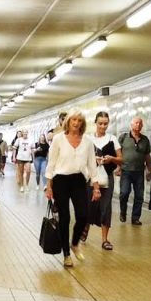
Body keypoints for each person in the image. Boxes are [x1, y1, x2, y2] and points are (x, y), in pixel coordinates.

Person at [45, 110, 100, 268]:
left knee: (83, 215)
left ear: (82, 123)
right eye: (73, 120)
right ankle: (66, 255)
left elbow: (92, 166)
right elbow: (51, 163)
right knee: (65, 217)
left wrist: (96, 188)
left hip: (79, 180)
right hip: (60, 180)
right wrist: (49, 186)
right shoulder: (58, 139)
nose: (76, 123)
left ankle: (74, 243)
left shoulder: (87, 142)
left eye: (79, 120)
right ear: (67, 122)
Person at [82, 111, 120, 250]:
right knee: (89, 204)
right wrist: (92, 160)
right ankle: (85, 228)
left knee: (106, 207)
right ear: (95, 123)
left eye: (105, 123)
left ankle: (105, 239)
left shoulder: (112, 139)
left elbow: (121, 159)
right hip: (90, 176)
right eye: (100, 123)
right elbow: (81, 157)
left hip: (107, 177)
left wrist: (112, 159)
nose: (103, 126)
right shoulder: (87, 139)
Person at [117, 116, 151, 225]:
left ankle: (135, 218)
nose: (138, 125)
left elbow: (147, 156)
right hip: (125, 171)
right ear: (131, 125)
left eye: (140, 123)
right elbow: (118, 154)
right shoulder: (123, 137)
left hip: (139, 172)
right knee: (124, 193)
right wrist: (118, 167)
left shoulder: (145, 140)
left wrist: (149, 170)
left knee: (139, 196)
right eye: (136, 123)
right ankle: (123, 212)